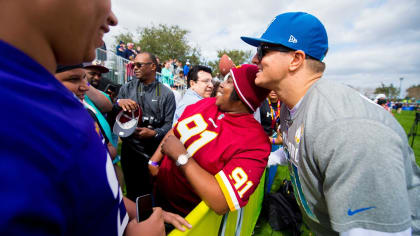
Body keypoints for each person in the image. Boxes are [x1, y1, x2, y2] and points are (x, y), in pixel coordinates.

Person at [241, 12, 420, 235]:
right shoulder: (293, 104)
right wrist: (263, 159)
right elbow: (300, 149)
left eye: (263, 50)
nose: (255, 59)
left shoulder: (348, 128)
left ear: (296, 59)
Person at [0, 0, 169, 235]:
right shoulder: (17, 120)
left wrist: (138, 214)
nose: (113, 18)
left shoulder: (49, 102)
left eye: (85, 79)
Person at [149, 64, 271, 217]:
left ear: (241, 94)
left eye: (229, 81)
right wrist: (153, 161)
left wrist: (182, 157)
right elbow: (177, 129)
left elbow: (221, 202)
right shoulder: (207, 103)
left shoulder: (255, 142)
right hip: (159, 193)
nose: (220, 84)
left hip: (185, 218)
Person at [115, 52, 176, 201]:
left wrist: (154, 133)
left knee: (152, 195)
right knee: (132, 194)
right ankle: (134, 222)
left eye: (139, 65)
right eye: (133, 65)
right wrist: (118, 103)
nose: (134, 68)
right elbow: (113, 110)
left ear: (153, 67)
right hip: (130, 152)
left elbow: (170, 124)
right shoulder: (126, 88)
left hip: (153, 153)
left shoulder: (167, 94)